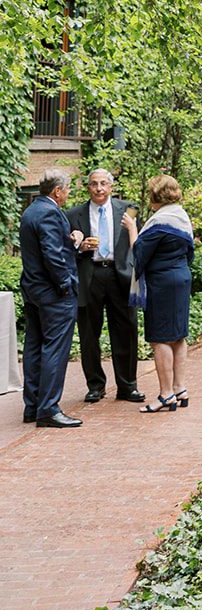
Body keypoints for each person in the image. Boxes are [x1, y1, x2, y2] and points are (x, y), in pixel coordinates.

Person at [68, 167, 144, 405]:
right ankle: (95, 385)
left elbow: (138, 244)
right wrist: (80, 247)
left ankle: (127, 386)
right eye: (94, 184)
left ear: (111, 187)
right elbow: (65, 248)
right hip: (90, 275)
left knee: (126, 330)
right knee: (89, 333)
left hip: (119, 275)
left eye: (103, 183)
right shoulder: (73, 214)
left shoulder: (129, 210)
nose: (99, 188)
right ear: (88, 187)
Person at [20, 168, 84, 428]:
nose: (67, 195)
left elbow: (48, 246)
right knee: (55, 349)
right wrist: (65, 284)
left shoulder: (31, 210)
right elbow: (52, 255)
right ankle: (48, 409)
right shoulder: (49, 211)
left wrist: (72, 243)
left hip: (33, 290)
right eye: (67, 190)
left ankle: (32, 406)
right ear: (57, 191)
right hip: (53, 293)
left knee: (34, 347)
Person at [130, 175, 194, 414]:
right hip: (181, 277)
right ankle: (180, 388)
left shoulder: (159, 222)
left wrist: (131, 230)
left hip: (162, 282)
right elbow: (189, 252)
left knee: (160, 338)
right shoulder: (181, 216)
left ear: (155, 196)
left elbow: (138, 253)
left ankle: (166, 394)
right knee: (178, 335)